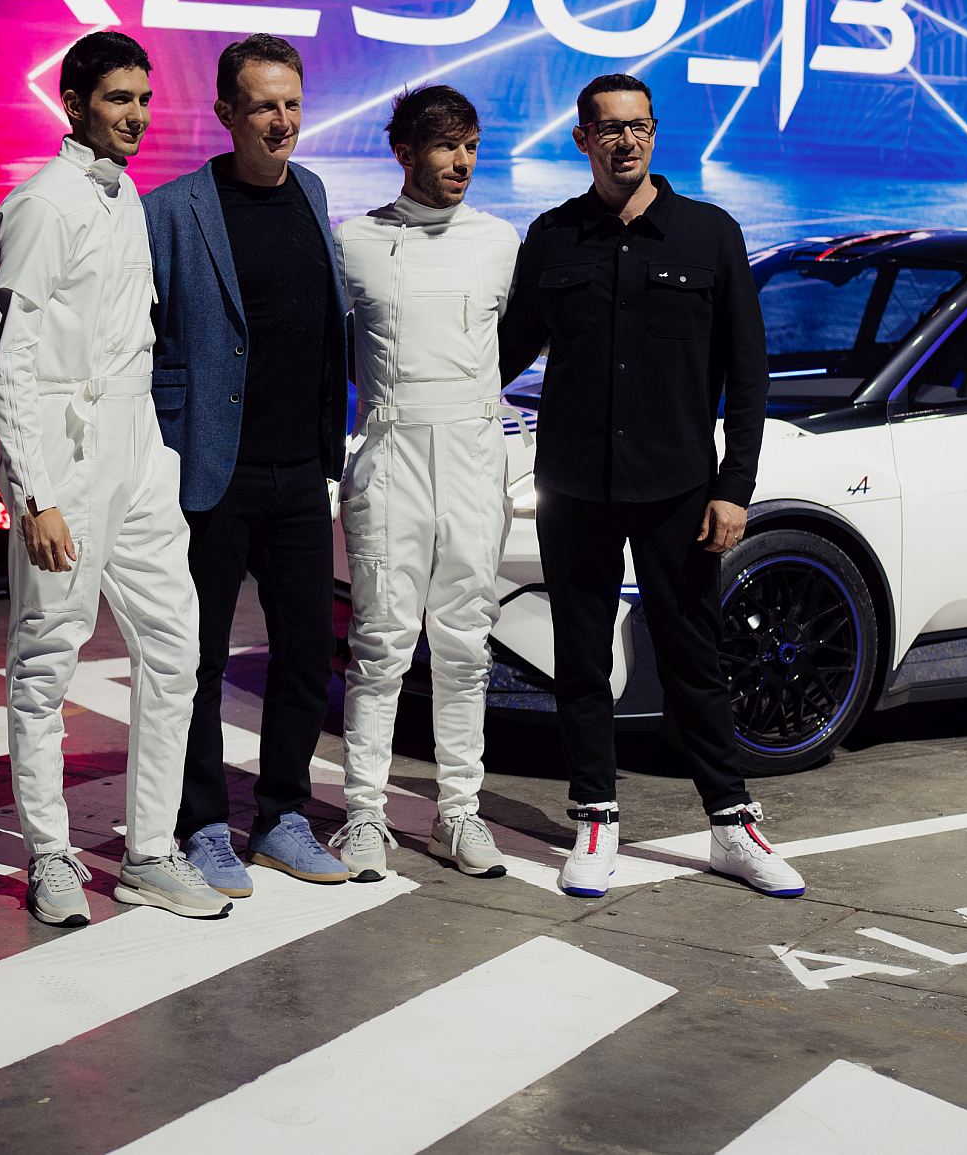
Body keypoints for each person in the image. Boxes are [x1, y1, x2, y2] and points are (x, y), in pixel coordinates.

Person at [497, 73, 804, 898]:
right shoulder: (553, 236)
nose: (625, 140)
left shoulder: (709, 233)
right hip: (575, 486)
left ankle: (732, 823)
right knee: (580, 659)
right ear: (582, 140)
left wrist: (735, 485)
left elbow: (748, 374)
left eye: (638, 126)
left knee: (693, 656)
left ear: (655, 133)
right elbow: (505, 351)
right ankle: (596, 816)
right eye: (609, 128)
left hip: (680, 488)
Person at [0, 29, 229, 925]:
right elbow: (11, 359)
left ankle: (150, 852)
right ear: (74, 104)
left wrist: (153, 450)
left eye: (143, 98)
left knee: (175, 644)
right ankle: (50, 853)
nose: (136, 115)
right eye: (118, 99)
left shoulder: (125, 195)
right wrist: (35, 492)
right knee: (47, 652)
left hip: (137, 448)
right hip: (64, 449)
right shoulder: (41, 205)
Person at [141, 34, 353, 895]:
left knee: (306, 654)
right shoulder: (173, 209)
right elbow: (140, 338)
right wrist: (162, 438)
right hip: (210, 468)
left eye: (292, 103)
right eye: (264, 105)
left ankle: (281, 816)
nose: (282, 120)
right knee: (197, 658)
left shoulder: (313, 192)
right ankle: (199, 823)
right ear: (226, 112)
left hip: (300, 468)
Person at [330, 85, 519, 881]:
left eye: (471, 145)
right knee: (380, 645)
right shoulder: (354, 242)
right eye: (446, 146)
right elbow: (331, 354)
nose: (462, 161)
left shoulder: (501, 240)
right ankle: (364, 814)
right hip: (391, 453)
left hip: (475, 455)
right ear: (404, 152)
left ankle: (459, 812)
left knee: (466, 645)